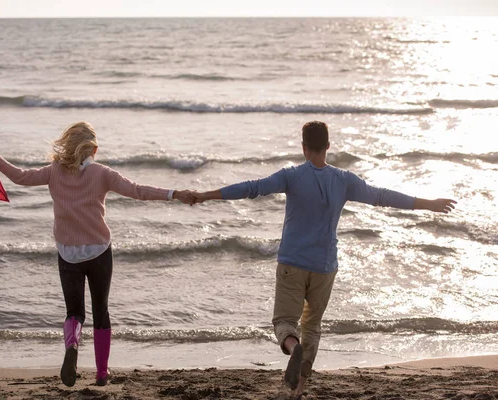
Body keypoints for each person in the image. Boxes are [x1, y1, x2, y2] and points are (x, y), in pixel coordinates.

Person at [192, 121, 456, 397]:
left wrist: (206, 196)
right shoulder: (344, 180)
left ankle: (294, 351)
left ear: (303, 147)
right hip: (325, 267)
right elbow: (381, 196)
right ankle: (299, 389)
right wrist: (428, 203)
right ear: (328, 146)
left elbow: (251, 187)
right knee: (312, 326)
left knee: (284, 323)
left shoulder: (292, 176)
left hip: (292, 263)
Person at [0, 122, 195, 387]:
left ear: (69, 147)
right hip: (99, 251)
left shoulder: (54, 172)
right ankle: (102, 374)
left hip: (68, 252)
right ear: (93, 148)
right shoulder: (103, 174)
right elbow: (138, 191)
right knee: (101, 311)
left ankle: (72, 346)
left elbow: (20, 177)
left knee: (75, 313)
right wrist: (174, 194)